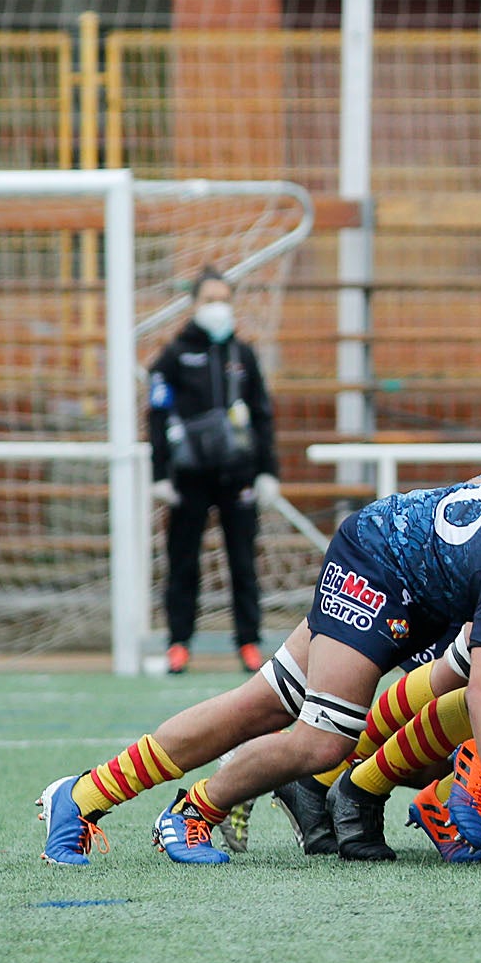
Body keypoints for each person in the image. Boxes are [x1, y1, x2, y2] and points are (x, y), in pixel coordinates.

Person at [36, 466, 481, 868]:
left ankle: (85, 794)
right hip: (382, 567)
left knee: (261, 704)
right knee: (321, 740)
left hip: (414, 555)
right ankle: (196, 810)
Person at [146, 267, 280, 675]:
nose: (217, 307)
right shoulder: (172, 357)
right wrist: (160, 474)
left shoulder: (243, 354)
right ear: (194, 304)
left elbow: (262, 414)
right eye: (209, 299)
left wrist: (267, 471)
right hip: (190, 478)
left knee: (243, 560)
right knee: (183, 561)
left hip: (237, 474)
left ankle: (249, 642)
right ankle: (178, 642)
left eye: (224, 299)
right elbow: (156, 413)